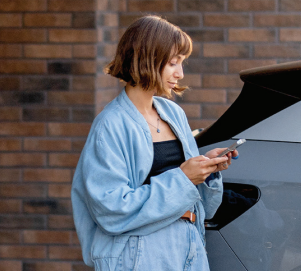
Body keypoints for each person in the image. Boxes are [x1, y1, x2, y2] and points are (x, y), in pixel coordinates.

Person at [71, 15, 238, 271]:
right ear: (147, 59)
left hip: (189, 242)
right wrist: (183, 177)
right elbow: (111, 209)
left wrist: (206, 169)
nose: (180, 73)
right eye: (173, 63)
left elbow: (200, 202)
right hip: (140, 252)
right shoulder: (111, 125)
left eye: (181, 63)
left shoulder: (173, 114)